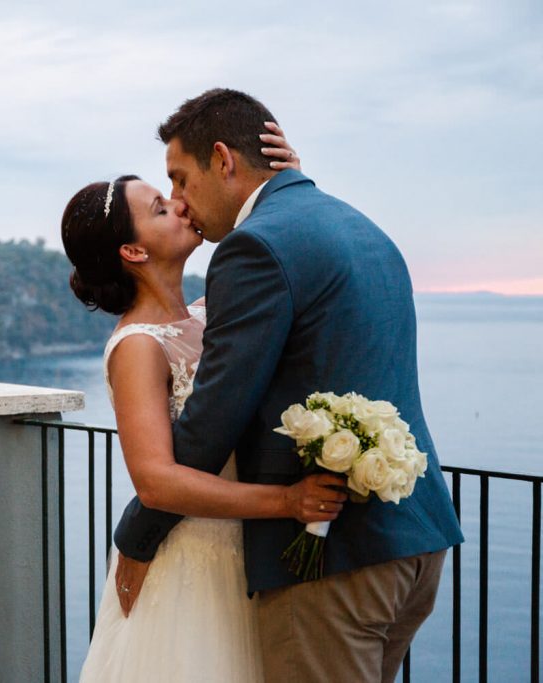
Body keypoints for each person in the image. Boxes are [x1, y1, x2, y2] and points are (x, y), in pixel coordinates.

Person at [109, 89, 464, 682]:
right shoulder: (359, 225)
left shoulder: (255, 248)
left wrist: (138, 538)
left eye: (180, 178)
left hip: (333, 559)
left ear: (223, 159)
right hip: (417, 541)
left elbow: (211, 420)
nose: (178, 200)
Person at [62, 128, 347, 682]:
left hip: (241, 557)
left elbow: (280, 251)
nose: (182, 204)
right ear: (134, 250)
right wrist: (286, 501)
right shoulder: (138, 346)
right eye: (161, 206)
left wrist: (284, 183)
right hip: (188, 564)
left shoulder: (208, 310)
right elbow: (156, 483)